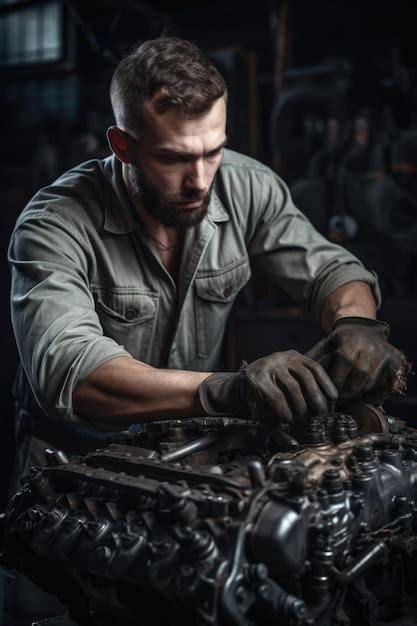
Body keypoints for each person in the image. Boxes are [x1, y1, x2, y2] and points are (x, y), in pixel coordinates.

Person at [5, 36, 407, 624]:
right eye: (174, 158)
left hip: (191, 467)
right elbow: (71, 372)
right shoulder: (52, 225)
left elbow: (331, 269)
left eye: (213, 151)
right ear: (122, 145)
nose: (200, 179)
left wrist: (356, 323)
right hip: (71, 482)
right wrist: (226, 389)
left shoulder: (245, 185)